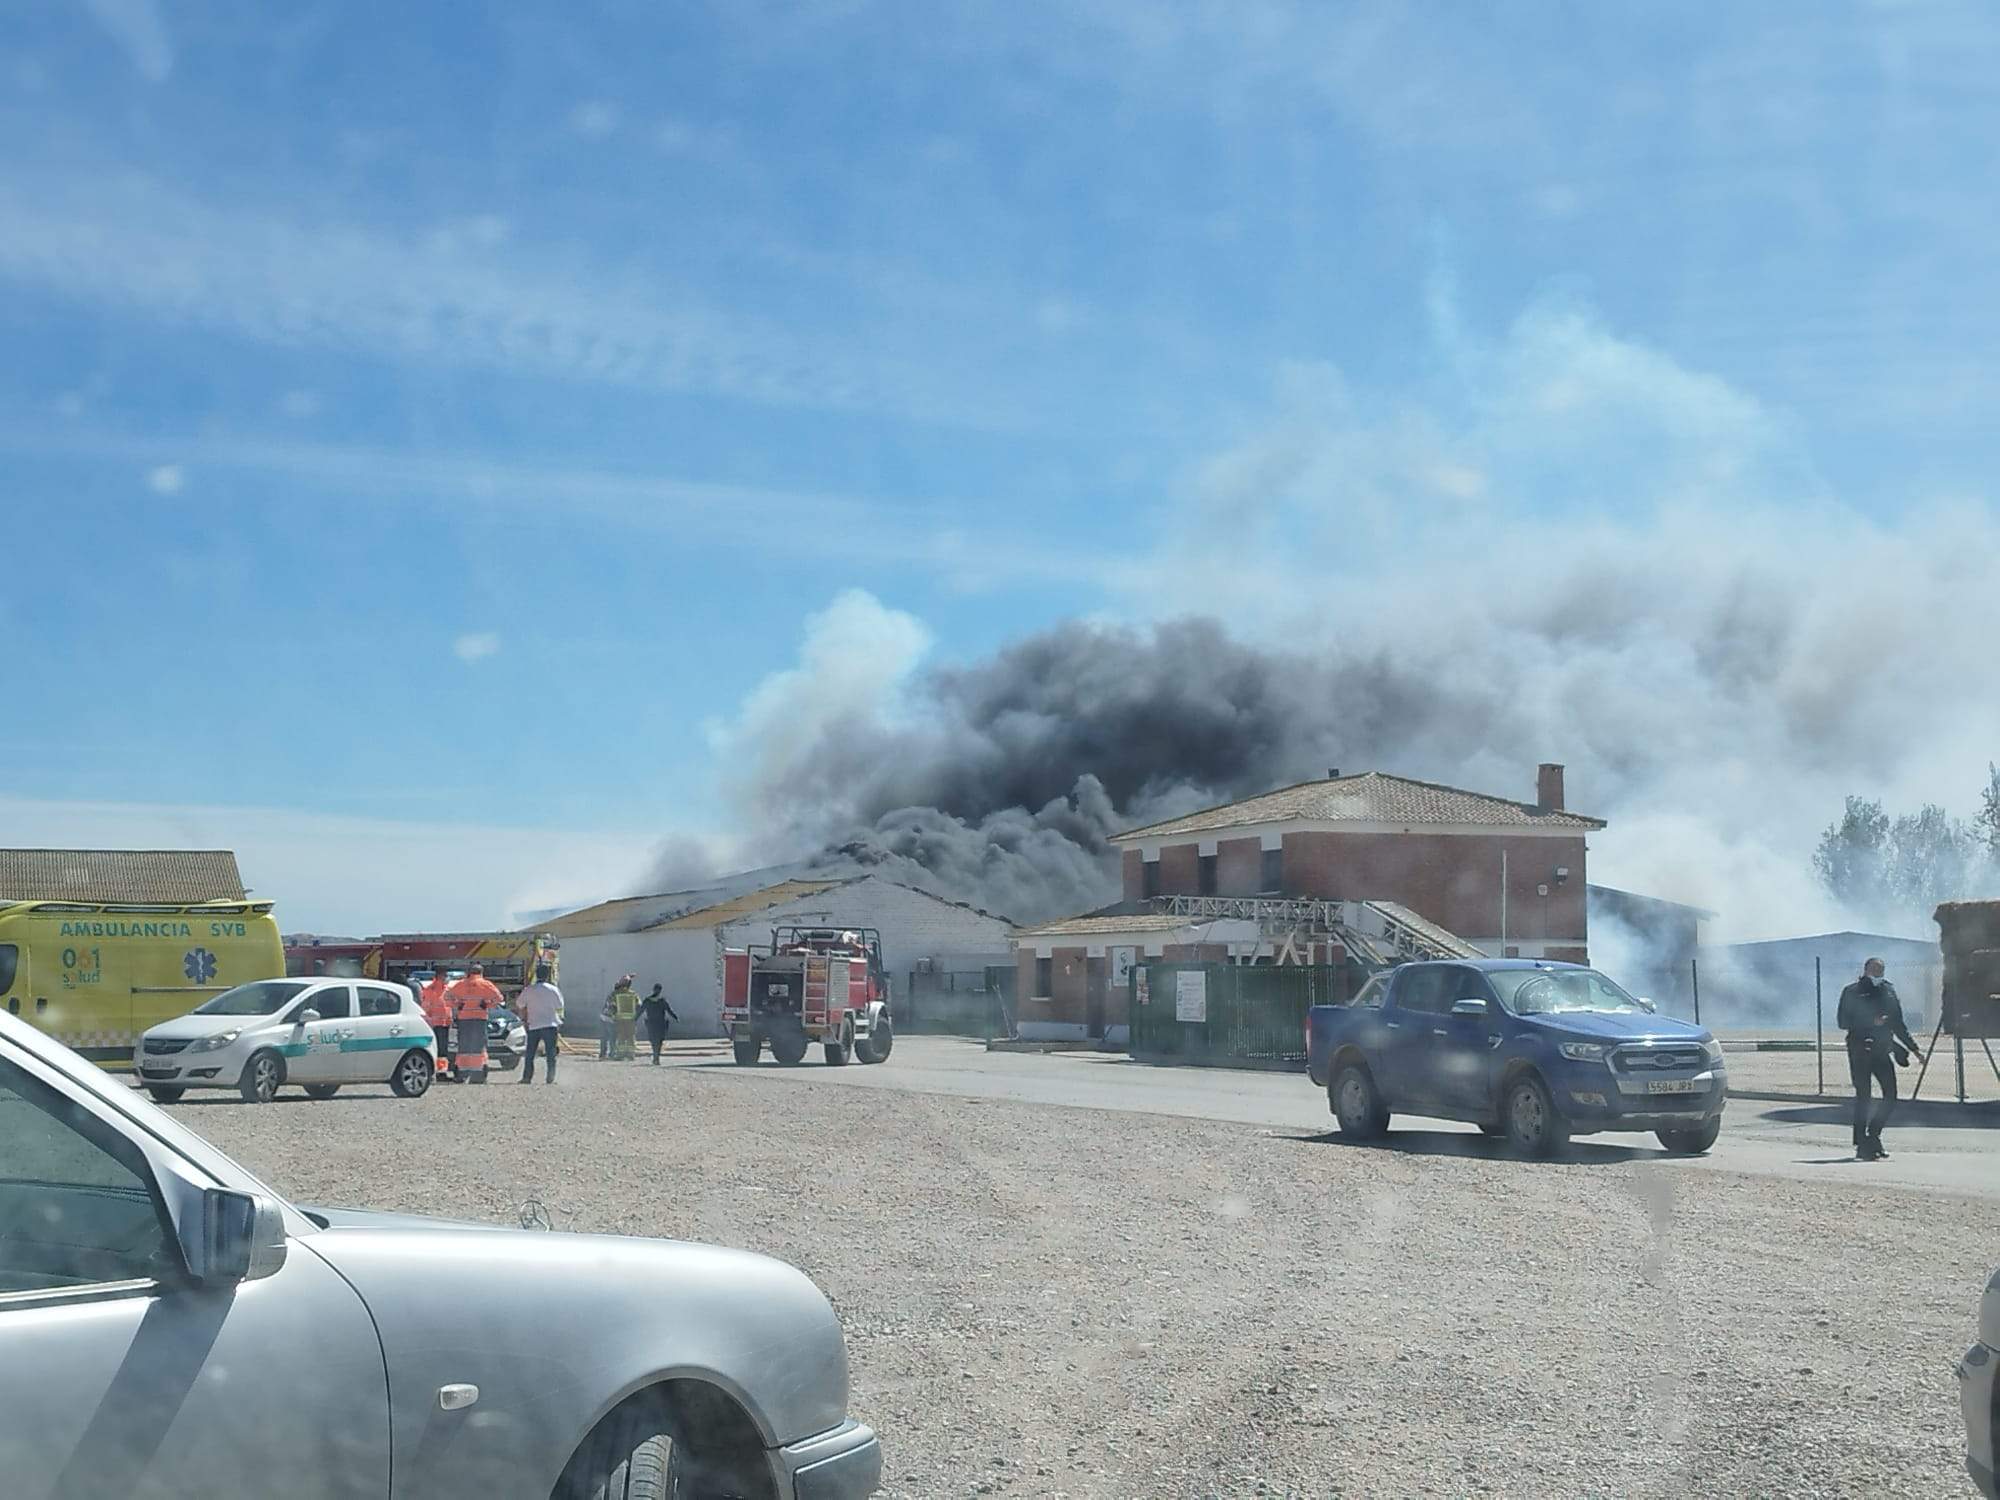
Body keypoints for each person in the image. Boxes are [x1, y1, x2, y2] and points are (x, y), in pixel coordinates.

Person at [1836, 956, 1922, 1161]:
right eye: (1875, 968)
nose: (1878, 972)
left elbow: (1898, 1024)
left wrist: (1914, 1048)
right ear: (1866, 969)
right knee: (1863, 1097)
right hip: (1860, 1049)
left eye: (1881, 969)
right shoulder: (1852, 991)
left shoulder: (1888, 990)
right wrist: (1870, 1021)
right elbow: (1842, 1022)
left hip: (1882, 1050)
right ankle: (1861, 1143)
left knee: (1890, 1095)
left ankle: (1873, 1135)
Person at [445, 963, 503, 1084]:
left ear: (469, 973)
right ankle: (478, 1074)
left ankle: (462, 1073)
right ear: (481, 973)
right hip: (479, 1019)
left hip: (464, 1019)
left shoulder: (461, 984)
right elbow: (499, 998)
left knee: (464, 1046)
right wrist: (487, 1004)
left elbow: (446, 997)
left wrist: (458, 1005)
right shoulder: (485, 984)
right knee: (478, 1046)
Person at [515, 963, 564, 1085]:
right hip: (550, 1024)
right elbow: (560, 1005)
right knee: (551, 1053)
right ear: (547, 976)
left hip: (534, 1025)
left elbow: (519, 1003)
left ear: (536, 975)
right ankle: (550, 1078)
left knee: (530, 1053)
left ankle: (527, 1078)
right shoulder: (553, 989)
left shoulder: (529, 990)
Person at [419, 970, 456, 1081]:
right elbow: (425, 1007)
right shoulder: (431, 990)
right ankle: (435, 1073)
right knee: (436, 1050)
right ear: (439, 976)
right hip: (434, 1024)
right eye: (445, 976)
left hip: (443, 1024)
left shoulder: (447, 989)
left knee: (442, 1051)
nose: (446, 978)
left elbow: (452, 1005)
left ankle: (440, 1073)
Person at [640, 982, 679, 1066]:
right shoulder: (661, 1001)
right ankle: (656, 1056)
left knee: (655, 1041)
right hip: (659, 1024)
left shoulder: (649, 1001)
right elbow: (669, 1010)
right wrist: (675, 1017)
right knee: (657, 1041)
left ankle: (656, 1056)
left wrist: (635, 1018)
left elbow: (640, 1010)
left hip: (653, 1023)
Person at [610, 975, 639, 1061]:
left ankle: (620, 1055)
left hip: (620, 1020)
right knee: (631, 1037)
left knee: (621, 1037)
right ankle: (631, 1055)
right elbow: (639, 1005)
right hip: (631, 1020)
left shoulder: (616, 994)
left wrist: (613, 1016)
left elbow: (612, 1006)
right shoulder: (633, 994)